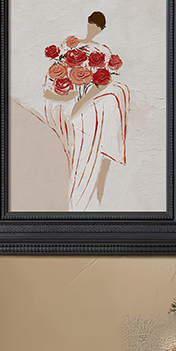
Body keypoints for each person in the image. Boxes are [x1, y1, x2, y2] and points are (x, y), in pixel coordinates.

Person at [38, 11, 130, 211]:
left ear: (101, 29)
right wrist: (67, 94)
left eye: (96, 26)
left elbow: (102, 81)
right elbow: (53, 80)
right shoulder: (70, 45)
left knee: (116, 95)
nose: (92, 29)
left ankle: (86, 194)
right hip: (68, 100)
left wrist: (81, 102)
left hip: (85, 103)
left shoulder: (103, 51)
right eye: (91, 24)